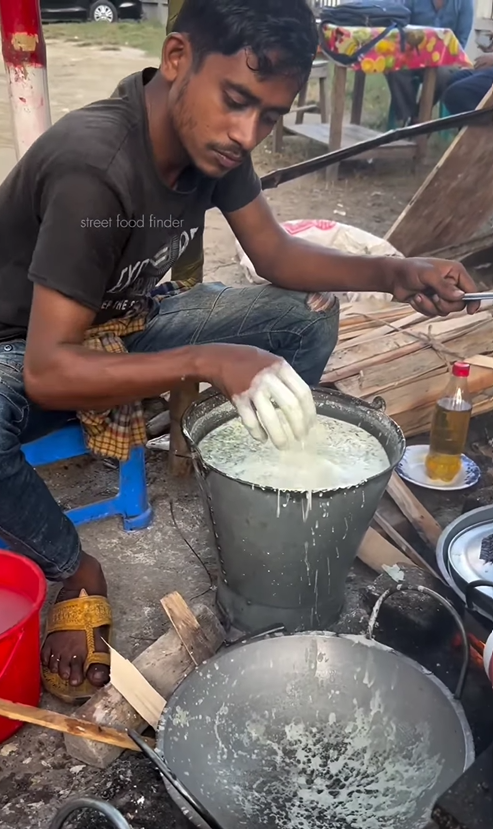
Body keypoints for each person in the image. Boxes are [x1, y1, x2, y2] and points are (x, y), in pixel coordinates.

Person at [0, 0, 479, 704]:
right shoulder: (94, 164)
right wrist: (209, 359)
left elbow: (276, 255)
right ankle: (75, 569)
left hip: (127, 322)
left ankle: (272, 481)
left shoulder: (213, 143)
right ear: (175, 59)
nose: (246, 132)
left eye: (270, 116)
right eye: (237, 100)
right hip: (22, 346)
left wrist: (397, 272)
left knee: (301, 320)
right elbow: (46, 368)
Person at [386, 0, 474, 124]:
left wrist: (448, 58)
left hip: (446, 59)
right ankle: (407, 116)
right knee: (395, 67)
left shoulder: (464, 3)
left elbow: (462, 38)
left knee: (442, 74)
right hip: (415, 55)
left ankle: (419, 117)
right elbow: (401, 24)